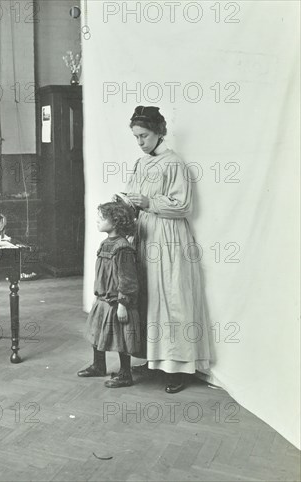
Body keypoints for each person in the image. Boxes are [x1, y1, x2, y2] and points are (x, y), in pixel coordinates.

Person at [125, 105, 210, 393]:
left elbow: (184, 206)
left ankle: (178, 368)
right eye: (136, 137)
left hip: (169, 238)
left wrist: (149, 203)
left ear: (160, 132)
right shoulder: (140, 164)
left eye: (144, 136)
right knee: (149, 298)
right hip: (146, 234)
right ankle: (154, 359)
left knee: (172, 298)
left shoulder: (174, 164)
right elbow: (134, 198)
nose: (140, 142)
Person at [78, 201, 144, 388]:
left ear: (115, 222)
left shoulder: (122, 248)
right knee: (97, 333)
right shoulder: (106, 243)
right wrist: (97, 295)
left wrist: (123, 303)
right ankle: (99, 366)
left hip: (117, 302)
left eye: (102, 218)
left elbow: (127, 279)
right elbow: (102, 274)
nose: (97, 221)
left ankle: (125, 374)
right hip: (103, 300)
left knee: (122, 338)